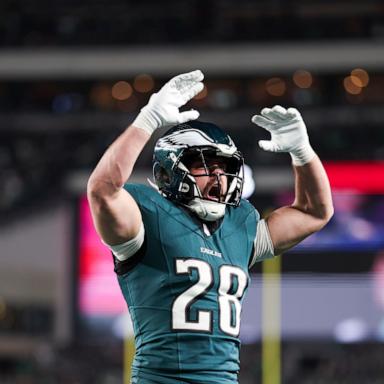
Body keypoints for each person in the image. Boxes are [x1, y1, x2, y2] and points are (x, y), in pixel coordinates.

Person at [87, 70, 333, 384]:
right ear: (167, 172)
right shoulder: (147, 215)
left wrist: (303, 152)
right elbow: (103, 189)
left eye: (225, 167)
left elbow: (315, 212)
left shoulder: (241, 224)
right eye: (203, 166)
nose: (219, 178)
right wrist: (147, 120)